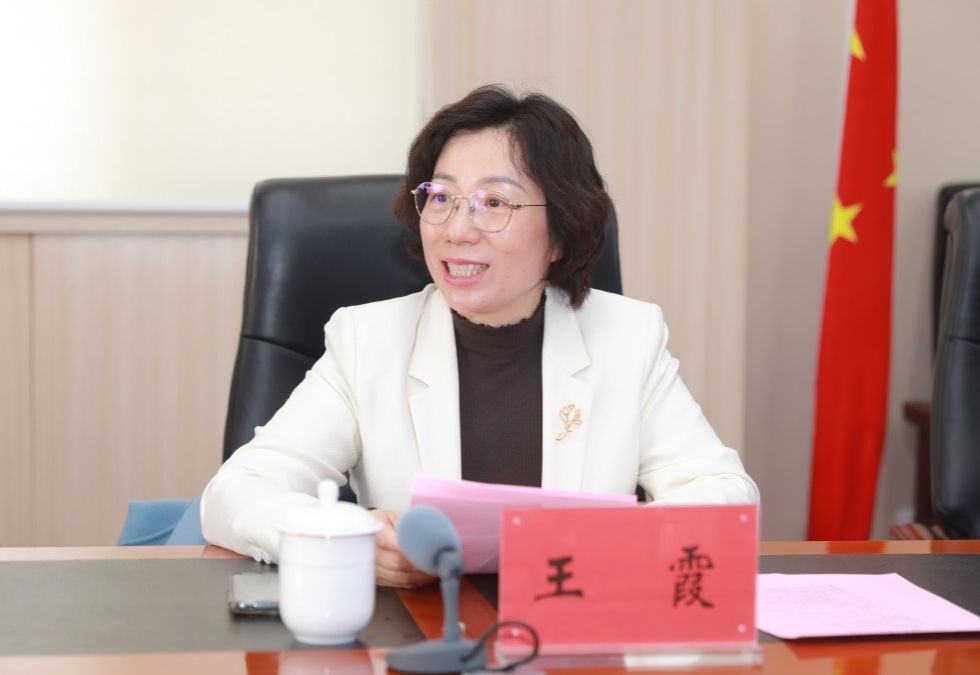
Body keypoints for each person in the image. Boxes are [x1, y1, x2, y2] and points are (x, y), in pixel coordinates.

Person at [201, 84, 759, 588]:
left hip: (576, 629)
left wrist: (604, 543)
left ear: (560, 234)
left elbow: (727, 498)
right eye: (441, 198)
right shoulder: (367, 341)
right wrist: (351, 538)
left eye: (494, 203)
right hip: (421, 634)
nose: (457, 230)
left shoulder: (628, 338)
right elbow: (236, 492)